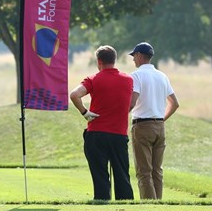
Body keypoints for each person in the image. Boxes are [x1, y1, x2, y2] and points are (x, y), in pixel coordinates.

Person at [69, 45, 135, 201]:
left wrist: (85, 113)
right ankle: (125, 205)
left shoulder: (93, 79)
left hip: (96, 133)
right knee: (122, 174)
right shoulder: (128, 80)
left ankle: (102, 201)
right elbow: (130, 104)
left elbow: (74, 95)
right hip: (118, 135)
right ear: (115, 59)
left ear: (98, 61)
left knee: (100, 175)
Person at [128, 42, 179, 200]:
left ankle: (150, 206)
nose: (133, 60)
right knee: (157, 170)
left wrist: (119, 114)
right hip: (159, 126)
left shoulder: (136, 75)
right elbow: (174, 103)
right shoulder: (162, 76)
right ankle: (158, 203)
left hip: (142, 126)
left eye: (134, 56)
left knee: (144, 171)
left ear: (139, 56)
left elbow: (132, 102)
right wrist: (161, 119)